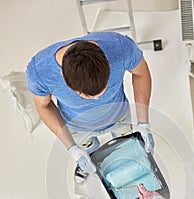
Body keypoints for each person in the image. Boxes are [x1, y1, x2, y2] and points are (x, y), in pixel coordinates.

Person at [26, 31, 154, 182]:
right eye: (86, 96)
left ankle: (122, 153)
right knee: (87, 148)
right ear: (63, 76)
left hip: (119, 116)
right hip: (78, 128)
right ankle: (87, 155)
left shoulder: (120, 47)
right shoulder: (40, 72)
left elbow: (141, 74)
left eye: (103, 88)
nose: (98, 99)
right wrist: (72, 148)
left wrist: (143, 123)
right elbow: (43, 106)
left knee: (123, 143)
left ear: (107, 60)